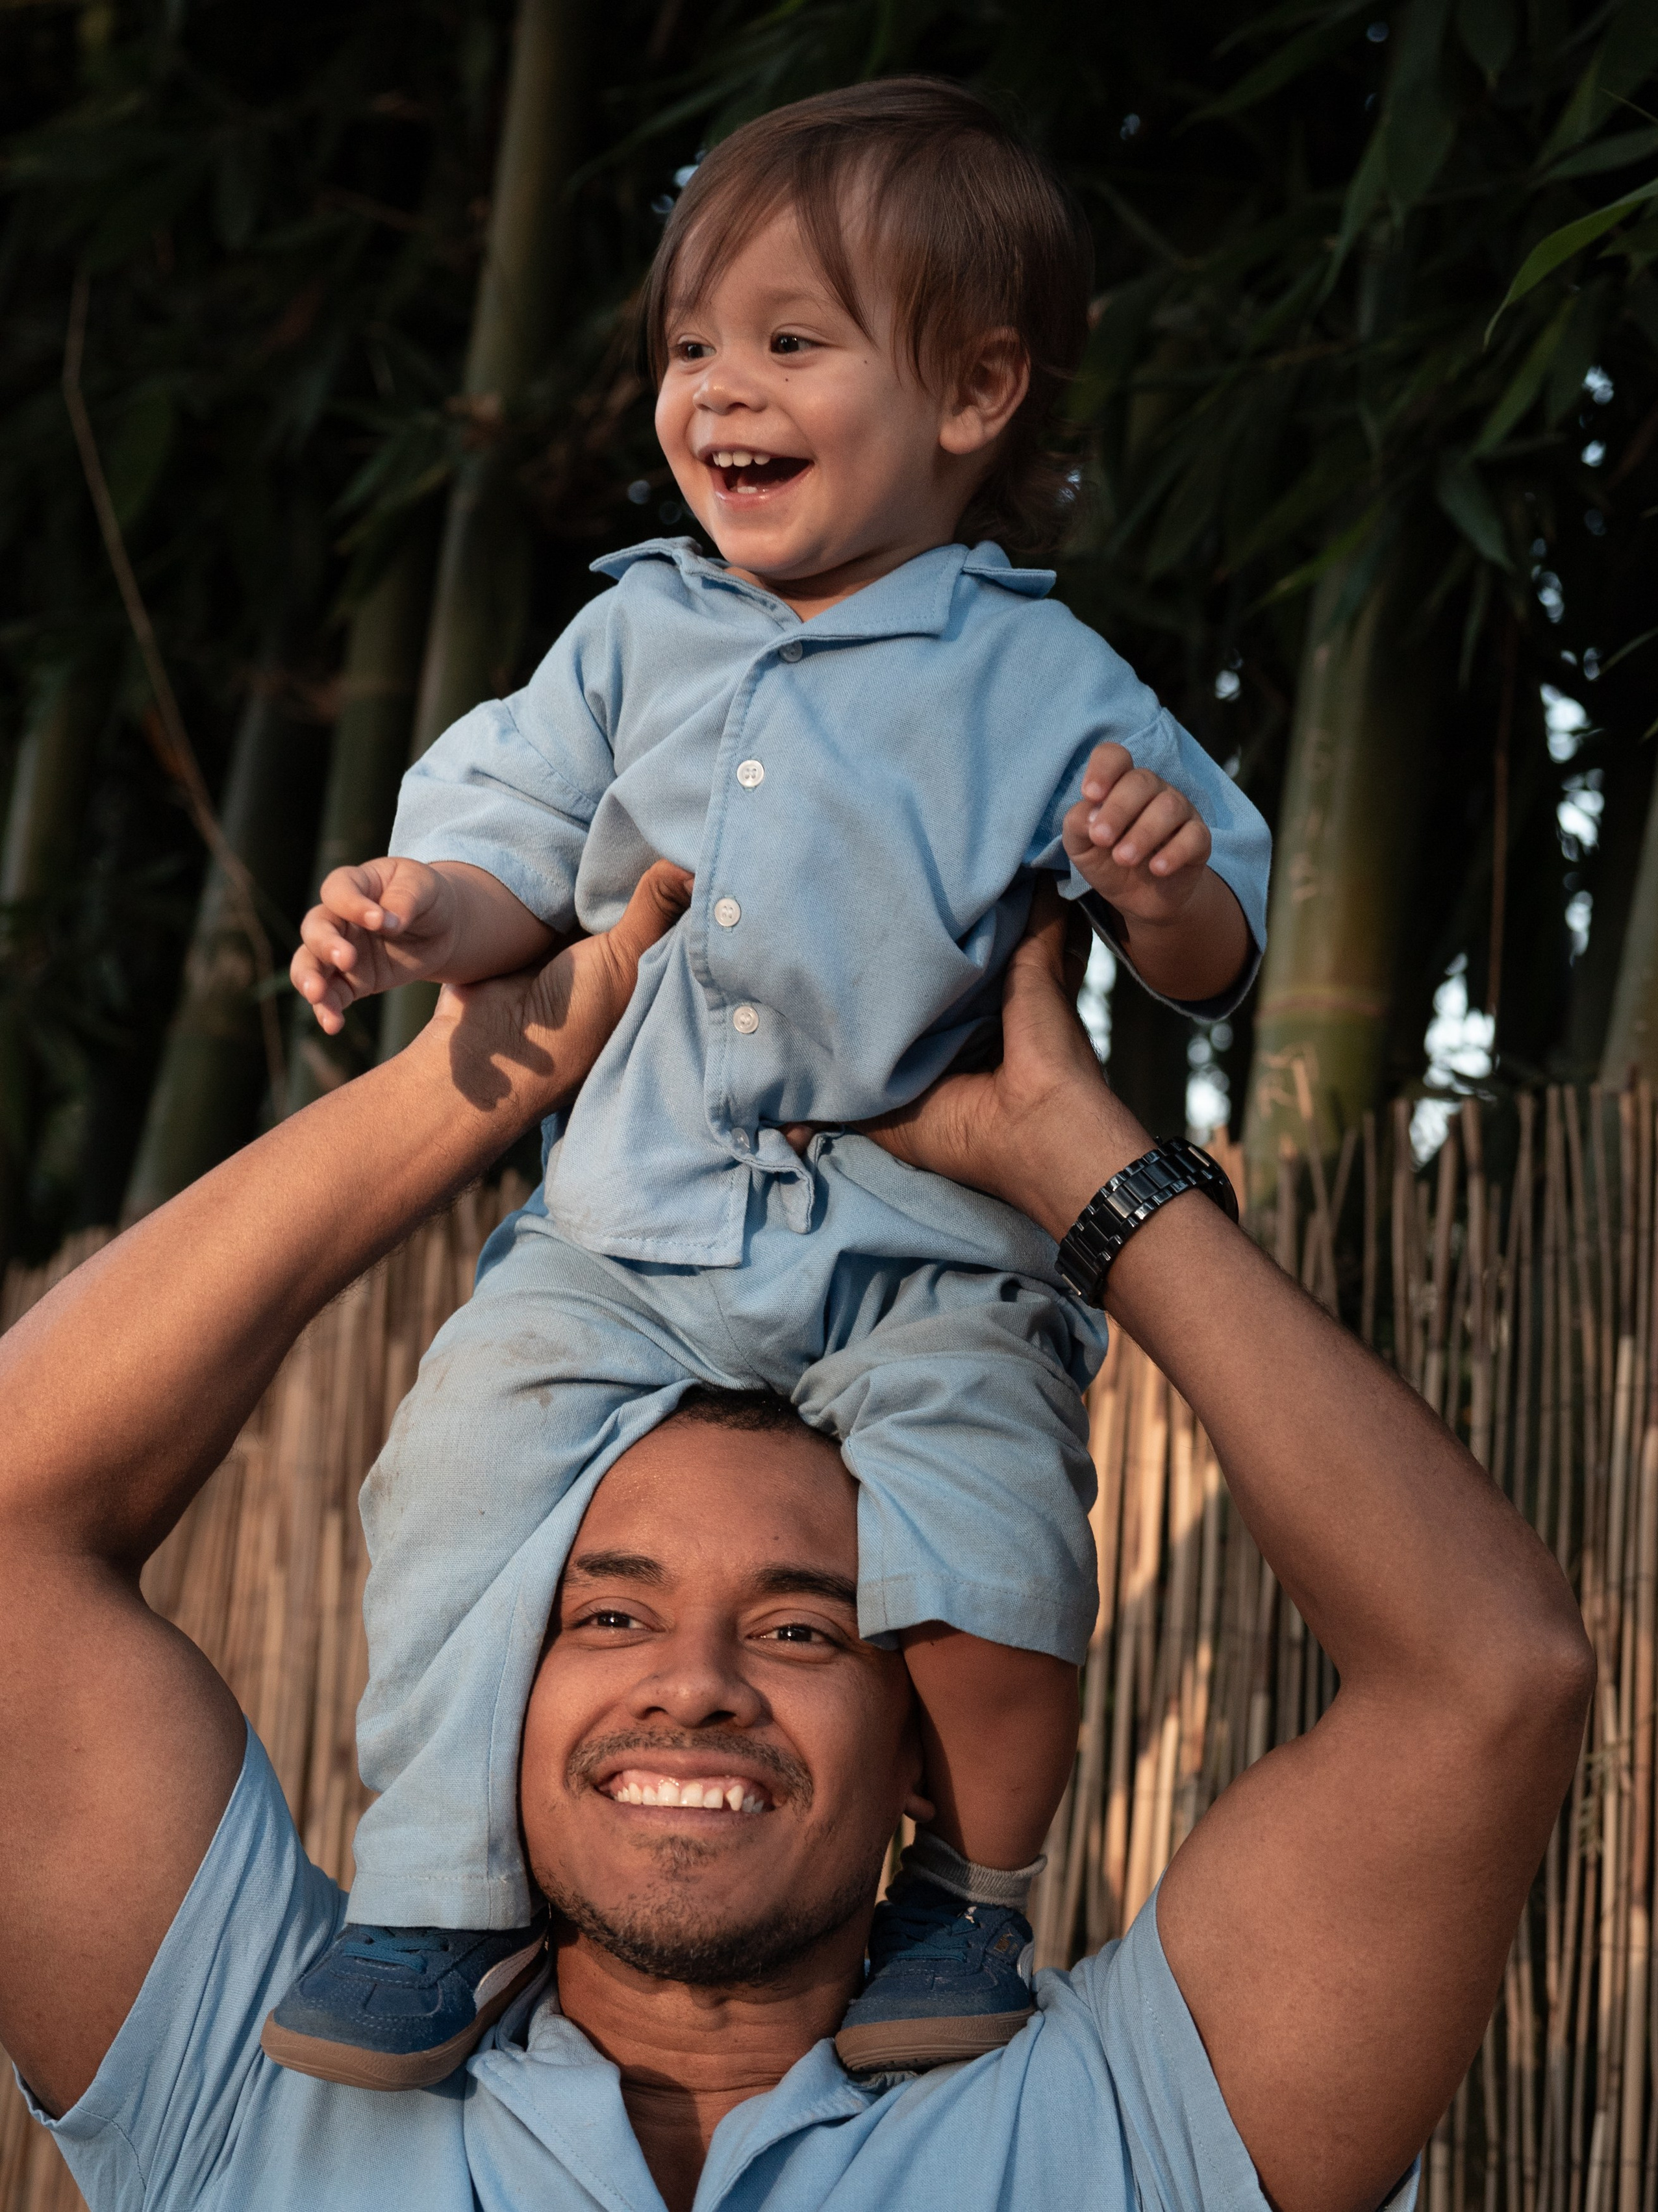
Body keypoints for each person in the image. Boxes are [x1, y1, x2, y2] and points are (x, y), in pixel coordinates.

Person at [0, 871, 1590, 2212]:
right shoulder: (259, 2094)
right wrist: (476, 1076)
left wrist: (1075, 1162)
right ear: (499, 1687)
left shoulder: (1120, 2132)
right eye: (608, 1619)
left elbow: (1487, 1679)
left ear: (916, 1742)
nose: (693, 1685)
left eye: (803, 1630)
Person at [280, 78, 1272, 2085]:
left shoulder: (1042, 677)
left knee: (997, 1553)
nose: (718, 388)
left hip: (927, 1244)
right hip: (624, 1223)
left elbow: (1216, 928)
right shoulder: (633, 633)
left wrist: (1165, 898)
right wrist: (416, 909)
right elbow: (516, 864)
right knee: (451, 1471)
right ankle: (436, 1894)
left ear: (977, 393)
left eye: (790, 344)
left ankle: (973, 1902)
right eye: (690, 345)